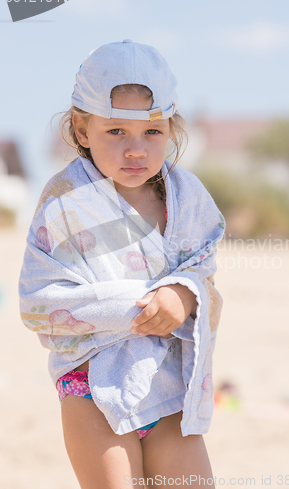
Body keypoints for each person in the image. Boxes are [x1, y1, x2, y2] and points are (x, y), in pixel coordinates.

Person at [19, 40, 226, 489]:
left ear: (171, 129)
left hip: (169, 383)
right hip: (90, 386)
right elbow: (37, 301)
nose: (136, 150)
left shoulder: (187, 197)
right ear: (81, 128)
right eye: (116, 132)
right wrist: (137, 305)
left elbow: (204, 272)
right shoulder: (65, 202)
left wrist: (183, 293)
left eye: (152, 132)